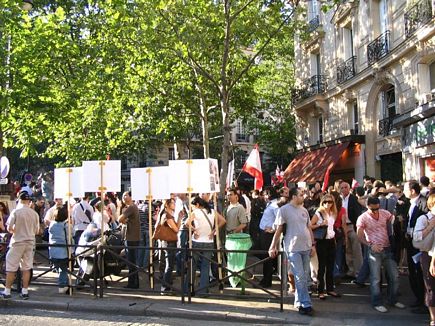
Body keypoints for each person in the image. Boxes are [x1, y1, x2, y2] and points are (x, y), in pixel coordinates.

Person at [269, 187, 316, 316]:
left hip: (306, 247)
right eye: (301, 195)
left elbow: (309, 228)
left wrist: (313, 245)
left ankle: (298, 302)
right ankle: (306, 304)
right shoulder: (283, 210)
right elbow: (278, 230)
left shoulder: (304, 210)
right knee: (300, 276)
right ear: (294, 196)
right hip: (293, 248)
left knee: (304, 277)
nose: (303, 197)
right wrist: (272, 246)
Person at [356, 196, 405, 313]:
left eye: (377, 208)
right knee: (375, 278)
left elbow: (393, 218)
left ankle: (392, 299)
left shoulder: (384, 213)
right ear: (367, 207)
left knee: (394, 276)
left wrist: (397, 219)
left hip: (387, 248)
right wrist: (370, 245)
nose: (376, 211)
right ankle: (377, 302)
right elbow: (359, 235)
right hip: (374, 251)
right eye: (373, 209)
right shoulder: (362, 218)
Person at [0, 191, 39, 300]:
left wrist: (16, 231)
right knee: (27, 267)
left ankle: (7, 291)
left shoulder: (16, 212)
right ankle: (25, 291)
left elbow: (9, 228)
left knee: (11, 267)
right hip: (30, 242)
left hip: (17, 242)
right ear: (28, 201)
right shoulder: (34, 213)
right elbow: (37, 231)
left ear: (19, 199)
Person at [184, 196, 225, 294]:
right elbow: (223, 220)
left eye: (192, 206)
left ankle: (188, 289)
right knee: (206, 266)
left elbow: (186, 223)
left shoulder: (195, 212)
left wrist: (194, 230)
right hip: (209, 241)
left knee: (192, 265)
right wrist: (214, 230)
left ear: (197, 205)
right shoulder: (212, 211)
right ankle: (203, 291)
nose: (192, 208)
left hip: (197, 241)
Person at [404, 180, 428, 313]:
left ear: (412, 191)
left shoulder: (423, 203)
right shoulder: (411, 203)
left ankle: (424, 302)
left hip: (420, 244)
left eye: (405, 189)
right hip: (411, 243)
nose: (403, 192)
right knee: (413, 271)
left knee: (421, 272)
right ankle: (419, 298)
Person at [310, 193, 340, 299]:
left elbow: (332, 228)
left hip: (331, 241)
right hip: (322, 241)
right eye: (325, 201)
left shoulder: (333, 213)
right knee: (321, 267)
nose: (328, 204)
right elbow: (309, 225)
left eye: (330, 201)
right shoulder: (319, 213)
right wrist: (320, 224)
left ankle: (330, 289)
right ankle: (320, 290)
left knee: (330, 266)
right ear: (322, 202)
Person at [413, 193, 435, 325]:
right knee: (431, 287)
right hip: (427, 255)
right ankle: (433, 318)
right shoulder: (424, 218)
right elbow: (416, 238)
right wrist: (430, 226)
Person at [340, 181, 363, 278]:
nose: (344, 189)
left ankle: (359, 273)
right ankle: (351, 271)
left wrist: (357, 227)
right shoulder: (338, 200)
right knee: (347, 250)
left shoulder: (354, 199)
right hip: (343, 227)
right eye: (342, 187)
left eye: (346, 187)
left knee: (356, 250)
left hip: (353, 226)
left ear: (349, 188)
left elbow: (358, 213)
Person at [157, 198, 179, 294]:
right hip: (169, 242)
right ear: (167, 205)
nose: (174, 204)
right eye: (173, 203)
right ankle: (165, 287)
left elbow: (176, 227)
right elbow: (176, 229)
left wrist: (180, 218)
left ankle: (168, 285)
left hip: (168, 242)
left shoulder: (168, 215)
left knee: (169, 264)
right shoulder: (167, 216)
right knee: (169, 265)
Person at [258, 187, 279, 288]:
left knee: (267, 257)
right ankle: (265, 278)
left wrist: (273, 229)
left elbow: (279, 218)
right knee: (265, 257)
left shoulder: (275, 205)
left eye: (265, 194)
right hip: (264, 232)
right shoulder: (270, 204)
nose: (264, 197)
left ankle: (267, 280)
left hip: (268, 234)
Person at [118, 191, 140, 289]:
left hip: (131, 237)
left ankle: (132, 283)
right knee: (132, 261)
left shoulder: (131, 207)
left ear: (131, 197)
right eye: (123, 195)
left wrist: (124, 219)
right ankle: (134, 282)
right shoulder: (131, 207)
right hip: (132, 236)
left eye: (126, 195)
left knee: (131, 262)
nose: (123, 197)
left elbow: (119, 219)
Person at [48, 204, 71, 294]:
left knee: (60, 268)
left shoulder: (52, 224)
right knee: (63, 269)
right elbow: (70, 238)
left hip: (52, 250)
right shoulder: (66, 225)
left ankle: (65, 284)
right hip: (63, 251)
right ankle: (62, 285)